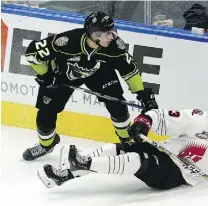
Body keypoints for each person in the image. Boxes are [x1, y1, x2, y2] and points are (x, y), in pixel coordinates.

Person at [23, 11, 158, 161]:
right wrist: (46, 74)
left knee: (117, 105)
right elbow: (32, 53)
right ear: (94, 34)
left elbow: (130, 71)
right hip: (63, 74)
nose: (112, 36)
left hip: (99, 72)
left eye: (113, 31)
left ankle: (128, 143)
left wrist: (142, 93)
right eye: (107, 33)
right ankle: (46, 145)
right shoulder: (67, 41)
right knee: (45, 114)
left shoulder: (115, 47)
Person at [37, 102, 208, 189]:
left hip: (176, 174)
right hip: (163, 152)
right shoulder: (196, 119)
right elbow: (163, 116)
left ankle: (83, 162)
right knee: (114, 149)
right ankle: (65, 174)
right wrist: (144, 122)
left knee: (138, 161)